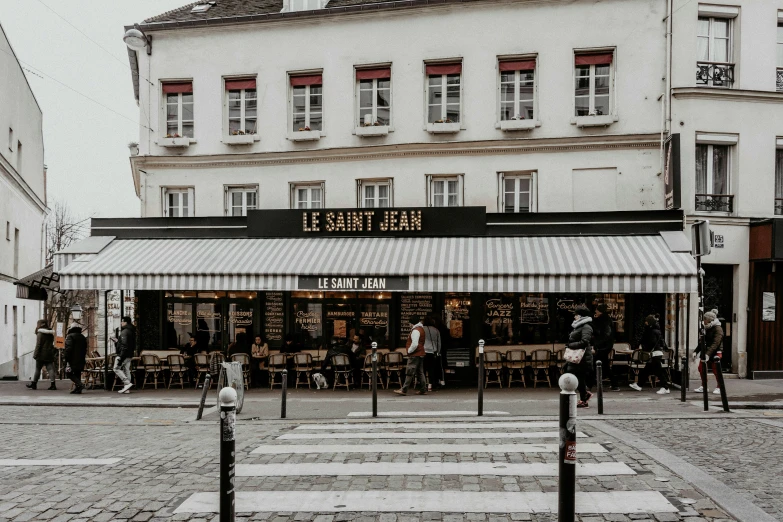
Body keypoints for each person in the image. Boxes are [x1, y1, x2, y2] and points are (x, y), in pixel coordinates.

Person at [630, 315, 670, 394]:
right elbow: (662, 342)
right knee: (646, 370)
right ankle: (639, 385)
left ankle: (665, 387)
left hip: (654, 353)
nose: (645, 322)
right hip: (657, 353)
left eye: (646, 321)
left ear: (649, 322)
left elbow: (652, 342)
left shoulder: (651, 331)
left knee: (659, 372)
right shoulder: (657, 330)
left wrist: (644, 347)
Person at [563, 305, 594, 408]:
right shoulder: (579, 326)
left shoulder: (586, 327)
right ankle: (584, 397)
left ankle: (581, 398)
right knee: (577, 377)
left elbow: (585, 341)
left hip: (581, 358)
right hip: (576, 357)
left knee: (571, 376)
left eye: (576, 315)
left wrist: (570, 345)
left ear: (580, 316)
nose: (574, 317)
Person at [394, 315, 427, 396]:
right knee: (420, 372)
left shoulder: (415, 331)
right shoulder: (421, 329)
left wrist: (409, 351)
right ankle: (423, 389)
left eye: (410, 323)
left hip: (415, 354)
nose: (409, 325)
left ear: (412, 323)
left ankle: (404, 389)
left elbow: (415, 344)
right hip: (421, 353)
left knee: (409, 371)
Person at [693, 309, 724, 395]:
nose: (703, 321)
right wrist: (696, 351)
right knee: (701, 368)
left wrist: (707, 354)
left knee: (716, 369)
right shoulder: (706, 328)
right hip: (707, 351)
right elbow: (702, 340)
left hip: (715, 352)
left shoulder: (718, 329)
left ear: (709, 320)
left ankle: (719, 387)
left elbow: (716, 343)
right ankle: (704, 386)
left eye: (705, 319)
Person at [592, 304, 618, 391]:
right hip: (606, 346)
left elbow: (601, 333)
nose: (595, 311)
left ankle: (589, 384)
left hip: (602, 346)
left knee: (595, 364)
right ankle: (614, 383)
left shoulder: (601, 320)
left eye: (597, 310)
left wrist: (598, 343)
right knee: (605, 365)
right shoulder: (607, 319)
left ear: (600, 311)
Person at [26, 320, 57, 390]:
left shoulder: (40, 334)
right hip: (49, 354)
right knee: (50, 369)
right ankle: (53, 384)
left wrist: (35, 354)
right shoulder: (50, 334)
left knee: (37, 369)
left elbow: (38, 345)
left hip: (41, 354)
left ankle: (34, 384)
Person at [113, 316, 136, 394]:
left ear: (126, 322)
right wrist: (117, 342)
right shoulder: (132, 331)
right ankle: (127, 389)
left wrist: (121, 357)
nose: (121, 323)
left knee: (116, 368)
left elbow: (125, 346)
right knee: (126, 370)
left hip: (123, 354)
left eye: (122, 321)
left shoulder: (124, 332)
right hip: (129, 354)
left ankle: (127, 383)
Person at [63, 323, 87, 394]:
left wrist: (66, 357)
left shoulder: (70, 336)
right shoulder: (82, 336)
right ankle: (78, 389)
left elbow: (68, 349)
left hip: (72, 358)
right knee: (77, 373)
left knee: (68, 372)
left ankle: (80, 384)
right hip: (81, 358)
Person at [422, 316, 443, 391]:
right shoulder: (436, 330)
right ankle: (430, 385)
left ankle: (423, 385)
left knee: (423, 369)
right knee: (431, 369)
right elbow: (439, 342)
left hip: (423, 351)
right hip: (432, 351)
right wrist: (438, 351)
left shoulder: (422, 329)